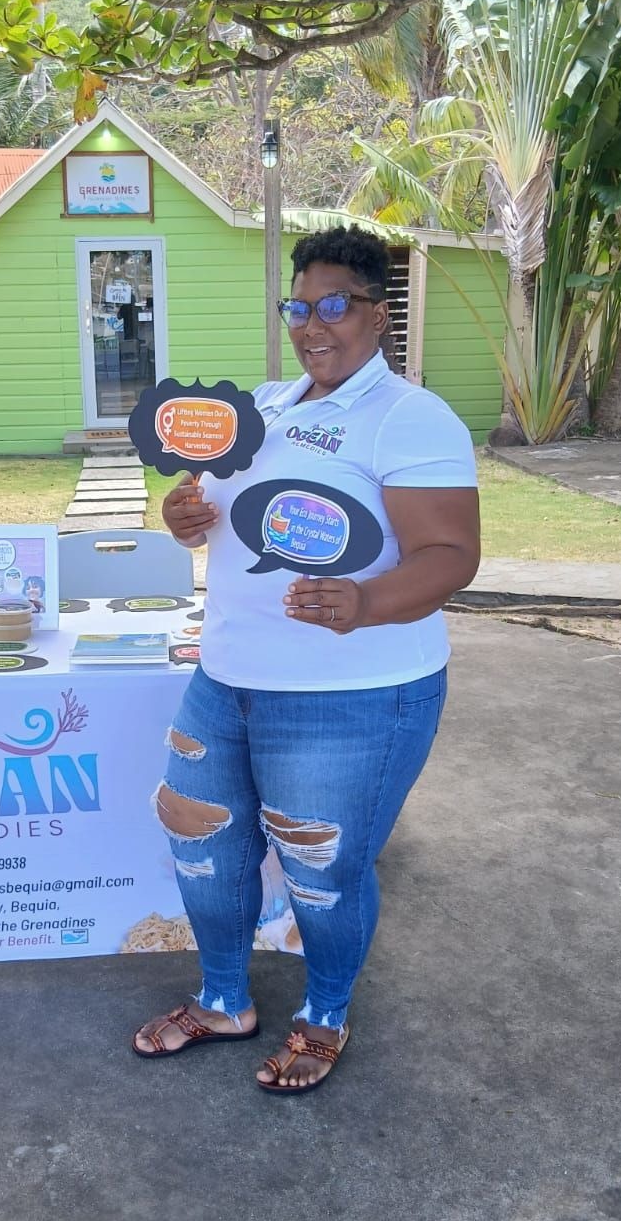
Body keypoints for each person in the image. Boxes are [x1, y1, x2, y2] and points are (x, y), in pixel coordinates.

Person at [132, 226, 480, 1093]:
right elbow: (214, 512)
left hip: (352, 697)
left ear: (377, 312)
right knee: (200, 846)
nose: (313, 324)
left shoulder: (409, 416)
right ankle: (223, 1000)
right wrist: (185, 515)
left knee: (323, 872)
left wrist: (363, 603)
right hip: (226, 682)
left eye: (335, 305)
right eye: (299, 306)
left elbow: (450, 556)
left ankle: (324, 1011)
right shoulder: (265, 405)